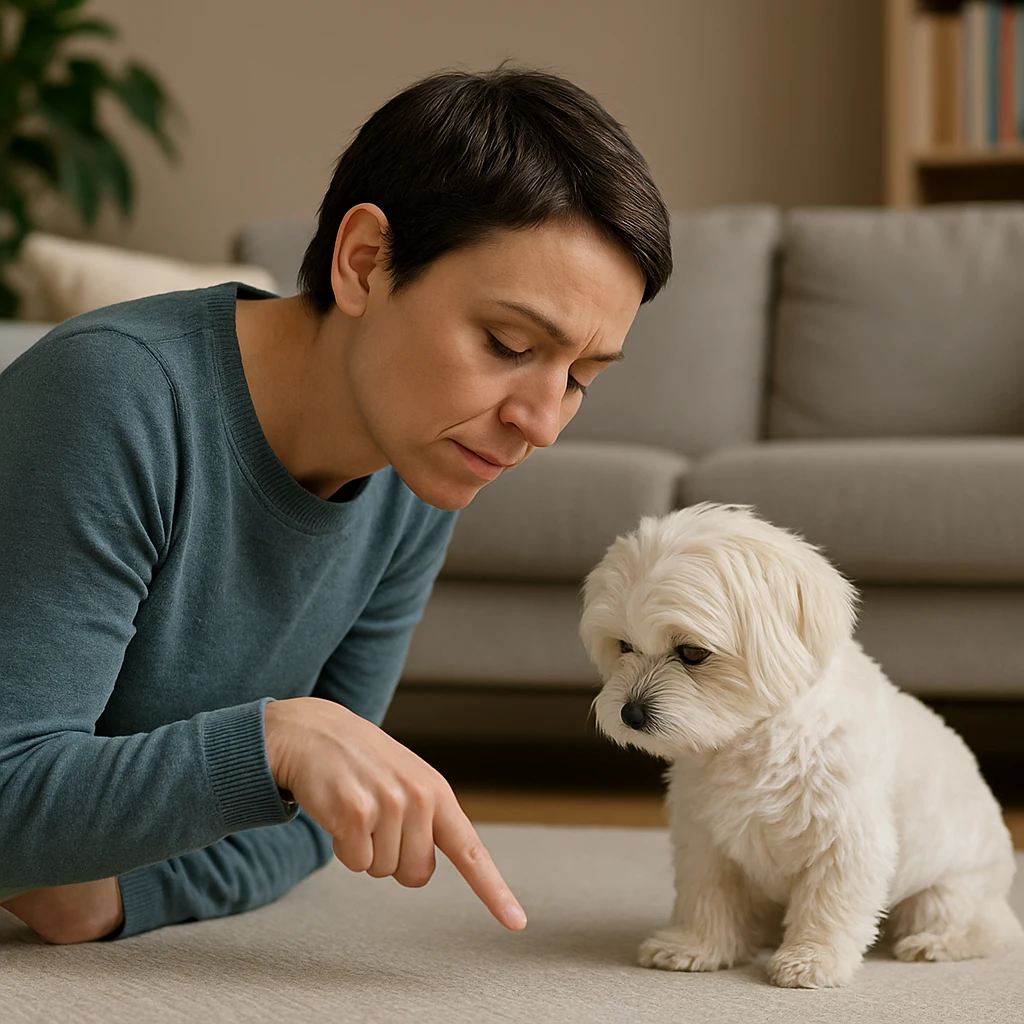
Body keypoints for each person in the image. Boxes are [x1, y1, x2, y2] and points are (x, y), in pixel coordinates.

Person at [0, 65, 672, 944]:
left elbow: (322, 819)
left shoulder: (424, 465)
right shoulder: (117, 397)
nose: (541, 424)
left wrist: (118, 893)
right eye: (509, 344)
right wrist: (275, 740)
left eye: (581, 376)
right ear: (364, 262)